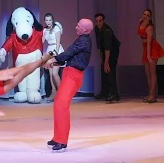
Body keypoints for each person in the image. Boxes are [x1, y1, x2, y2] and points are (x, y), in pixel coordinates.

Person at [43, 18, 93, 152]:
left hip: (73, 75)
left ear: (85, 30)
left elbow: (69, 52)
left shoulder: (83, 41)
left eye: (79, 25)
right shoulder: (82, 40)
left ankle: (61, 141)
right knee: (58, 104)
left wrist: (54, 59)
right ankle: (57, 137)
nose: (76, 26)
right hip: (70, 74)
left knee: (61, 105)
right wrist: (55, 62)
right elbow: (71, 56)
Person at [138, 9, 164, 103]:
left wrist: (149, 56)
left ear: (150, 17)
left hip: (152, 48)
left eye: (147, 15)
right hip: (146, 48)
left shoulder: (149, 27)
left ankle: (152, 94)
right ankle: (151, 93)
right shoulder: (141, 23)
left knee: (152, 72)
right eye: (144, 14)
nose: (145, 16)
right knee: (147, 73)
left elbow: (149, 42)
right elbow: (143, 38)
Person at [93, 13, 121, 102]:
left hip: (112, 51)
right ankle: (105, 91)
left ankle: (114, 93)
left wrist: (106, 62)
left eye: (100, 21)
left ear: (103, 20)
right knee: (103, 70)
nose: (98, 23)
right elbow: (98, 44)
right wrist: (101, 57)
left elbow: (108, 47)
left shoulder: (107, 31)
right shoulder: (97, 29)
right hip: (105, 50)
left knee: (109, 69)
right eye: (97, 21)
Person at [42, 13, 65, 101]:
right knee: (51, 74)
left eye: (50, 20)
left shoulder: (56, 28)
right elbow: (42, 41)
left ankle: (62, 93)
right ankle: (54, 93)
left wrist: (56, 53)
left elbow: (58, 42)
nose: (48, 22)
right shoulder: (45, 30)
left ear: (53, 20)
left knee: (55, 73)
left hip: (56, 50)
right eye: (47, 20)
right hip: (49, 50)